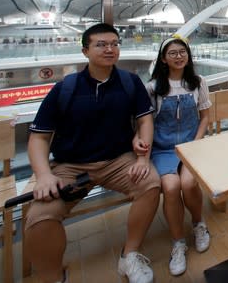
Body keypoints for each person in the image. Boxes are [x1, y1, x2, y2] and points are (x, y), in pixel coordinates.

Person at [24, 23, 160, 283]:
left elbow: (144, 121)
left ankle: (129, 255)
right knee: (40, 216)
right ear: (85, 51)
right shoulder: (66, 88)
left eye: (114, 44)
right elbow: (39, 138)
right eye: (101, 44)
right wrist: (43, 175)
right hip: (71, 166)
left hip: (119, 160)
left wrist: (143, 158)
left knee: (151, 184)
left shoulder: (130, 82)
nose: (110, 49)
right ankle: (53, 276)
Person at [138, 36, 212, 276]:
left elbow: (205, 118)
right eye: (173, 53)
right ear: (163, 58)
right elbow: (144, 124)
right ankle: (178, 242)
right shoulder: (152, 88)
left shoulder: (198, 82)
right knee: (170, 187)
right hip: (162, 149)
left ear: (188, 56)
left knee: (188, 183)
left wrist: (197, 143)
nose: (179, 56)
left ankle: (199, 224)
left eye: (183, 52)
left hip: (192, 145)